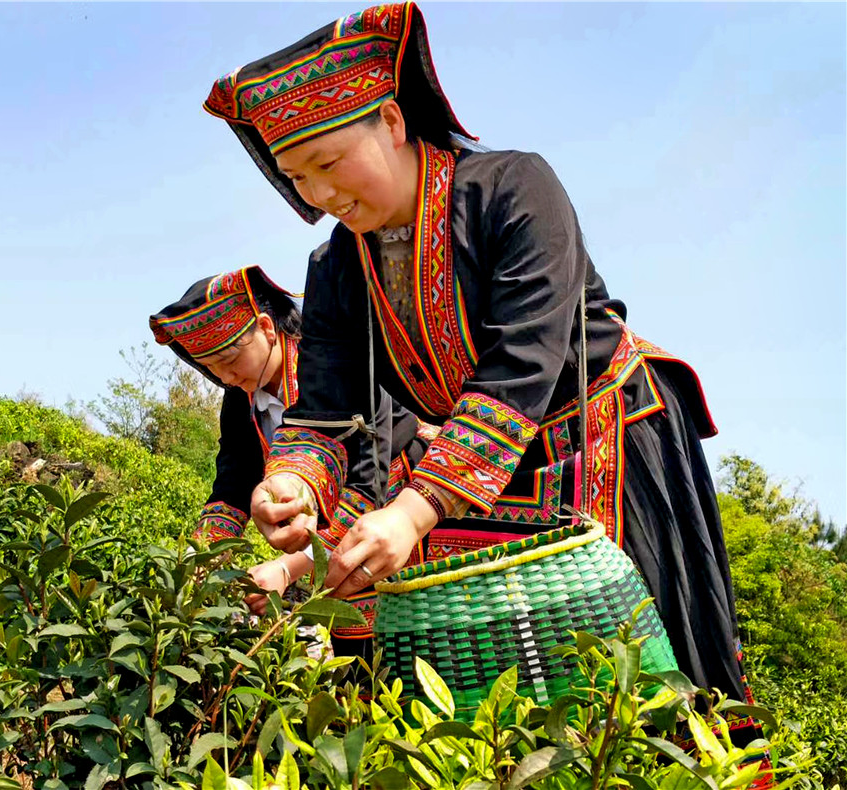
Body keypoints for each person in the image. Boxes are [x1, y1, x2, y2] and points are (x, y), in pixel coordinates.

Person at [202, 0, 768, 752]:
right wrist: (295, 483)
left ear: (394, 124)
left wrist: (411, 511)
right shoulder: (337, 263)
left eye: (331, 163)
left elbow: (523, 365)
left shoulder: (513, 188)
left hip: (609, 432)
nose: (322, 195)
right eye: (299, 177)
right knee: (512, 676)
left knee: (651, 661)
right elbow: (326, 407)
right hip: (488, 465)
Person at [148, 261, 434, 658]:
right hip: (332, 543)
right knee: (357, 667)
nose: (227, 378)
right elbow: (233, 481)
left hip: (402, 514)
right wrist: (204, 557)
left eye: (231, 362)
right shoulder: (241, 401)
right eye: (212, 370)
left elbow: (368, 482)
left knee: (415, 649)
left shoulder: (339, 367)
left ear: (267, 329)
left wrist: (289, 568)